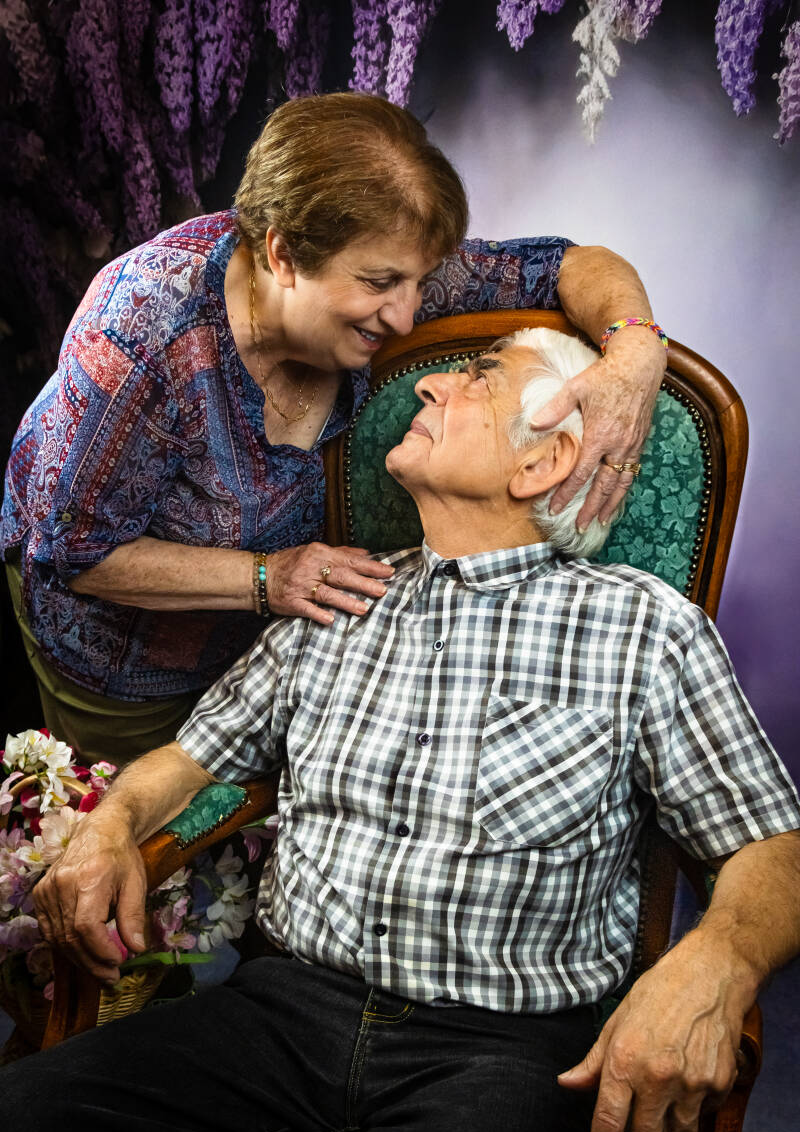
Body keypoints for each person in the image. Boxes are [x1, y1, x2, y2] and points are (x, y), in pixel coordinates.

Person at [3, 328, 797, 1132]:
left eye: (476, 379)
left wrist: (714, 960)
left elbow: (774, 849)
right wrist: (113, 824)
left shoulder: (645, 629)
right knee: (22, 1125)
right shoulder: (338, 593)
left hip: (502, 1054)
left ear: (544, 463)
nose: (424, 390)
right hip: (281, 1017)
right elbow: (192, 761)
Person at [0, 92, 667, 767]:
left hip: (273, 657)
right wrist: (268, 578)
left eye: (419, 280)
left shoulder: (396, 273)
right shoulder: (141, 334)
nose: (407, 315)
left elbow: (570, 265)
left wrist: (637, 351)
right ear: (283, 254)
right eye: (381, 283)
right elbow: (76, 554)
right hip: (124, 656)